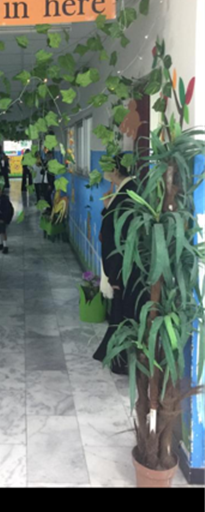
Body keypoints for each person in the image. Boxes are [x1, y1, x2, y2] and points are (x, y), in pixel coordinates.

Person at [93, 154, 146, 374]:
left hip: (125, 270)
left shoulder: (126, 195)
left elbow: (120, 238)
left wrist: (115, 274)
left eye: (107, 167)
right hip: (126, 269)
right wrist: (107, 207)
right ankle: (116, 358)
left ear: (115, 170)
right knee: (121, 313)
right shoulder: (126, 190)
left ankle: (120, 361)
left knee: (122, 315)